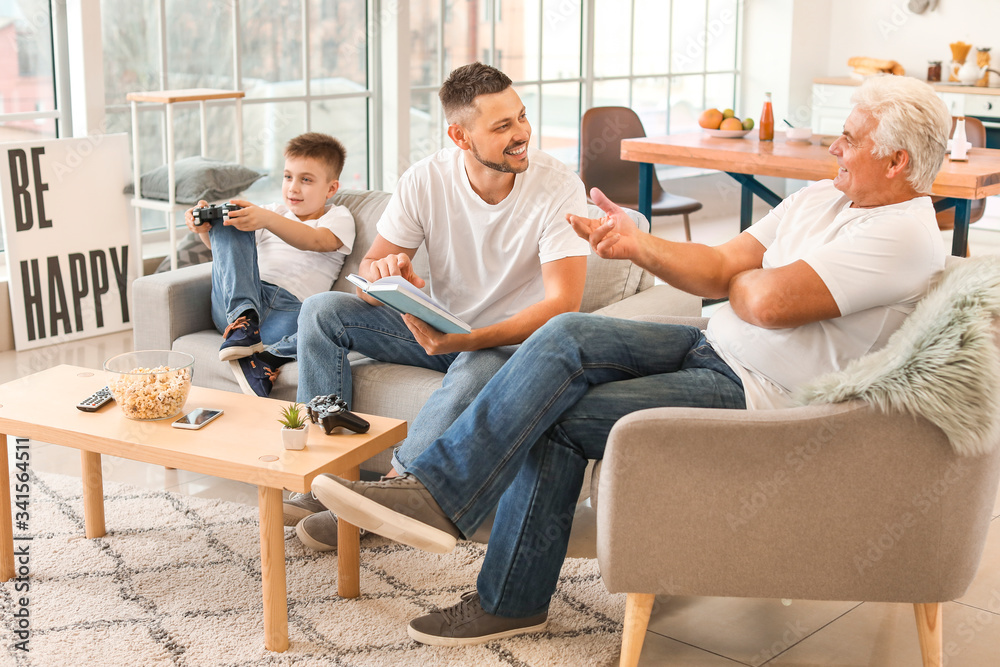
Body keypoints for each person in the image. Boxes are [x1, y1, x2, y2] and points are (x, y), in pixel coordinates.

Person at [306, 74, 952, 645]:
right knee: (567, 336)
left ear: (895, 161)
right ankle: (436, 496)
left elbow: (771, 303)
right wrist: (640, 245)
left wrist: (746, 281)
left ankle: (503, 589)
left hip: (766, 391)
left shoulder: (904, 234)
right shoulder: (826, 197)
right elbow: (725, 267)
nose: (834, 147)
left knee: (554, 411)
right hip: (714, 341)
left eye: (850, 138)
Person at [282, 62, 591, 551]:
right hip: (441, 329)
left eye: (521, 117)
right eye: (502, 126)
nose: (522, 134)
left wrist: (468, 340)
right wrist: (384, 278)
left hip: (513, 344)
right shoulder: (425, 179)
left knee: (475, 365)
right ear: (460, 136)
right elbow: (368, 273)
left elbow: (563, 305)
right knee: (322, 310)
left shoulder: (559, 187)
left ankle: (385, 499)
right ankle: (325, 479)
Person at [184, 132, 355, 395]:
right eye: (288, 177)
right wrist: (206, 229)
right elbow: (230, 258)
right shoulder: (272, 212)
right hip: (240, 304)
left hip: (289, 313)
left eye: (306, 180)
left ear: (331, 188)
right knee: (229, 217)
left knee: (326, 324)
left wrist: (266, 219)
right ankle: (244, 322)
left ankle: (264, 359)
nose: (293, 188)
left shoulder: (338, 217)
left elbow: (319, 241)